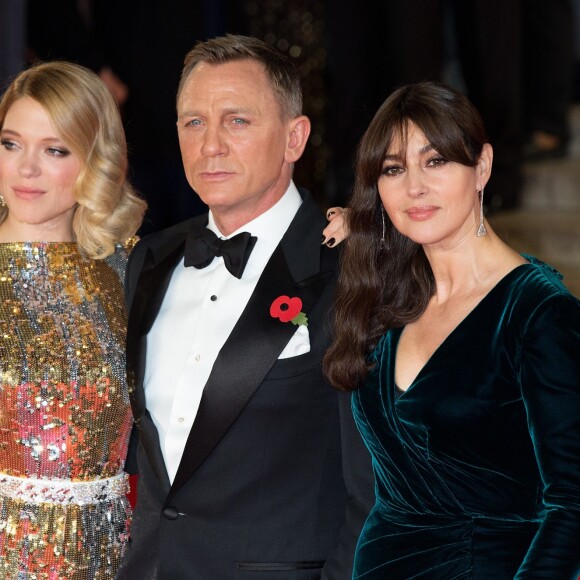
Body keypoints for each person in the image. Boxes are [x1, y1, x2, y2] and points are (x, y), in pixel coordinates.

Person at [118, 34, 373, 579]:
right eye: (193, 122)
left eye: (237, 120)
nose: (210, 144)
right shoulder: (151, 259)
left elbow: (377, 491)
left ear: (294, 138)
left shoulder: (354, 270)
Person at [324, 82, 580, 578]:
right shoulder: (391, 300)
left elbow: (573, 506)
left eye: (436, 161)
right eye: (393, 169)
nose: (414, 187)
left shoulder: (540, 315)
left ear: (481, 166)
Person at [0, 61, 146, 578]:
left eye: (54, 149)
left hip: (113, 559)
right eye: (11, 143)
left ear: (93, 160)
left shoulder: (131, 270)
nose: (25, 168)